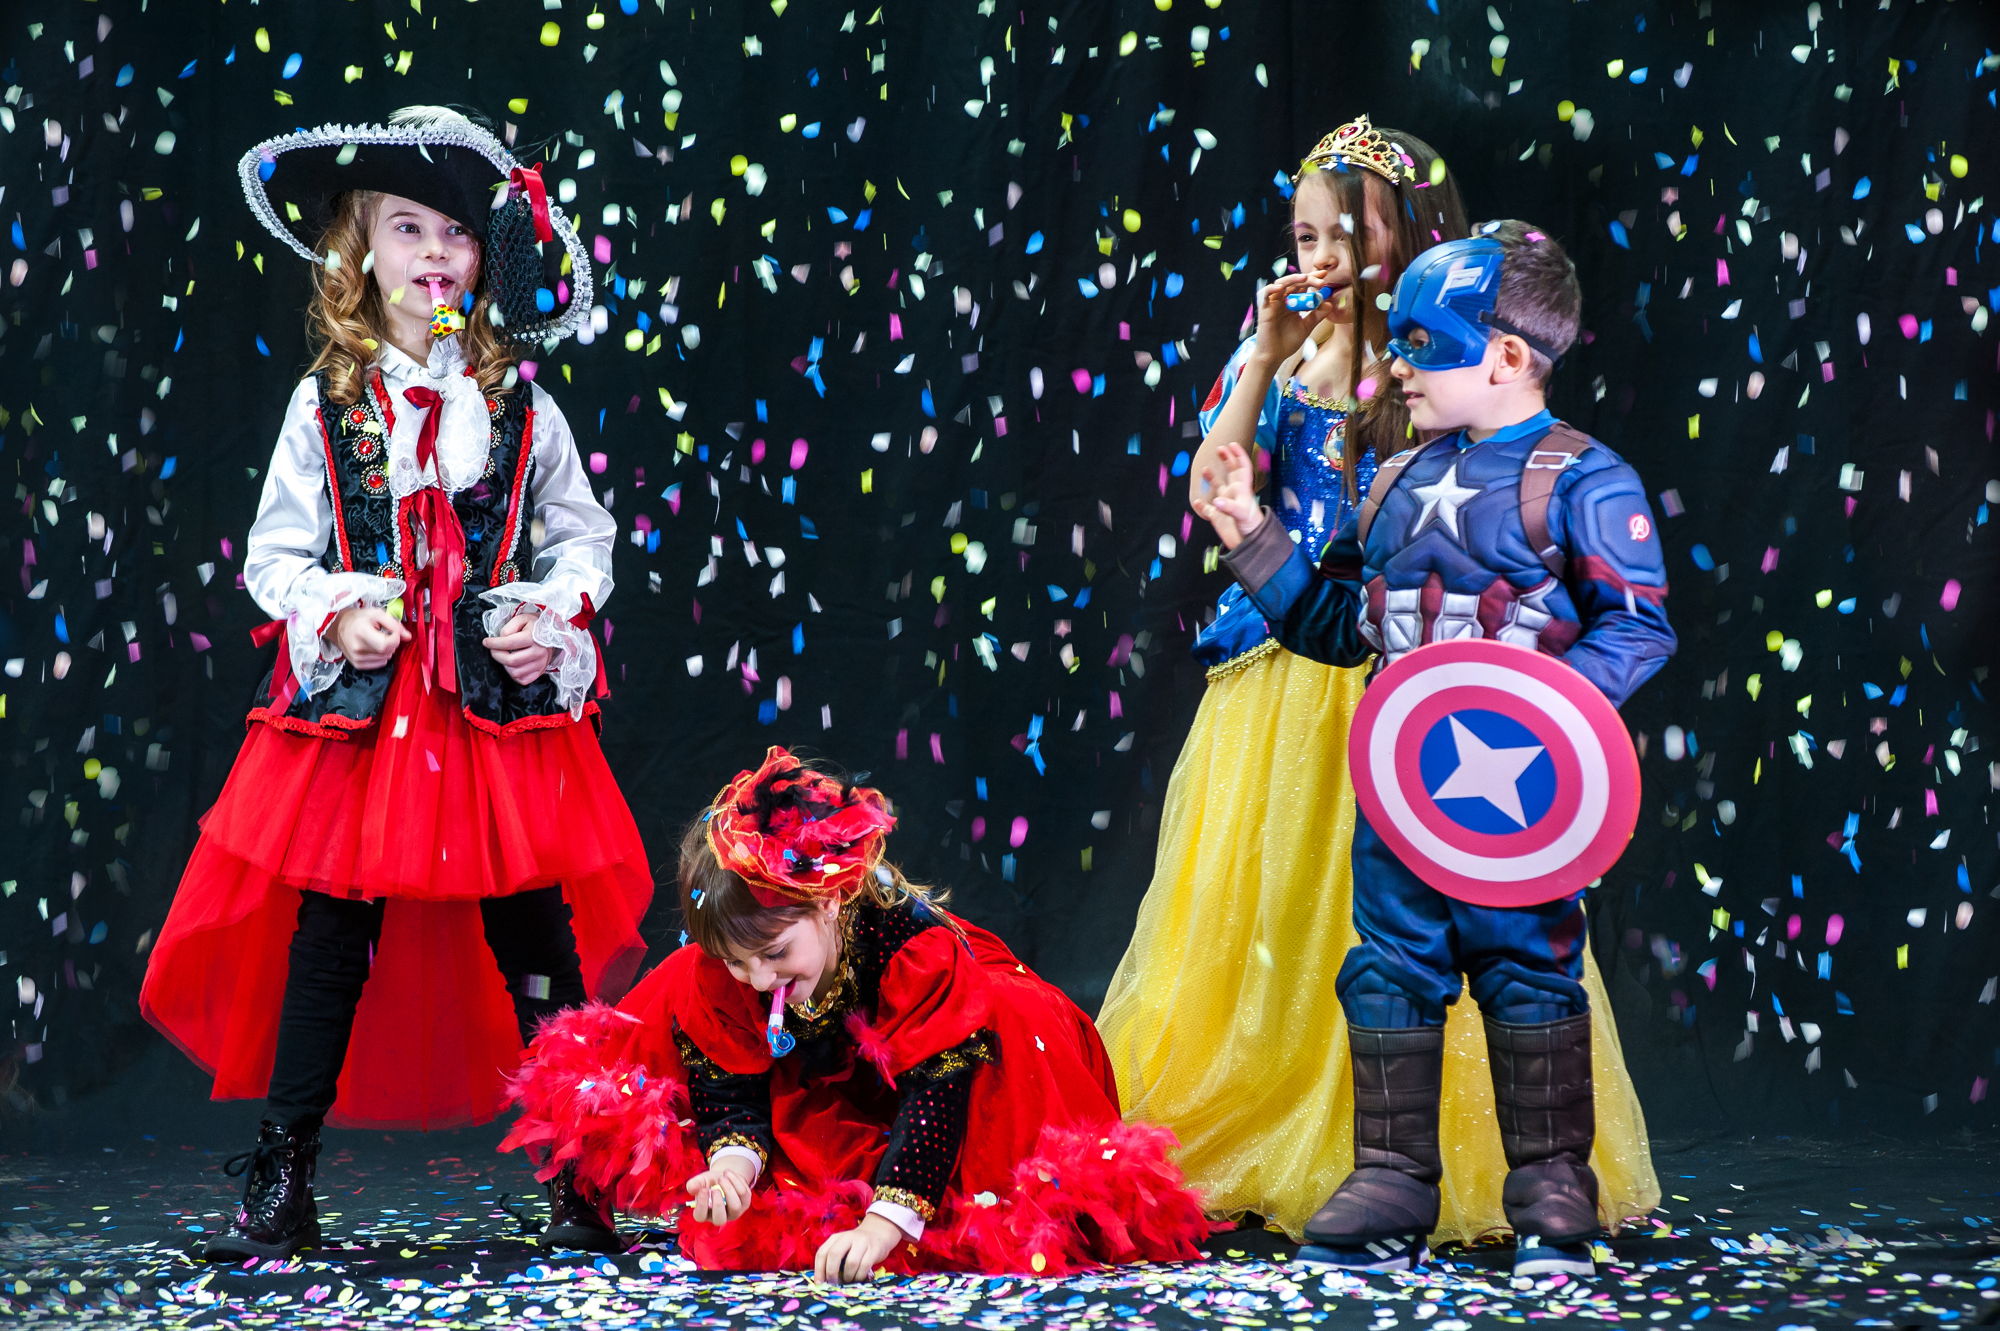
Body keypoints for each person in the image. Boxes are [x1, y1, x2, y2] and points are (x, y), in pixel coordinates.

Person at [1097, 118, 1660, 1248]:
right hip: (1349, 688)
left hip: (1470, 734)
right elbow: (1322, 596)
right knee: (1377, 950)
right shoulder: (1380, 450)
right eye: (1298, 235)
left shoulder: (1532, 452)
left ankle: (1544, 1177)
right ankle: (1388, 1174)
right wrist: (1252, 524)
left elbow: (1626, 622)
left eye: (1336, 235)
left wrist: (1549, 708)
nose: (1313, 257)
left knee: (1520, 955)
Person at [138, 106, 652, 1260]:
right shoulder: (323, 404)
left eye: (455, 233)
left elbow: (583, 537)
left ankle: (583, 1172)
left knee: (536, 933)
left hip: (492, 713)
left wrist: (549, 616)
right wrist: (336, 610)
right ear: (359, 251)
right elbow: (274, 555)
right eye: (406, 228)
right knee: (331, 932)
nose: (433, 253)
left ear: (487, 255)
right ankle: (283, 1179)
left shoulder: (524, 408)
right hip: (367, 719)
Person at [501, 747, 1209, 1281]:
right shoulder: (735, 968)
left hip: (929, 1067)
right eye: (740, 962)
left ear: (829, 901)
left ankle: (961, 1199)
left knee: (1011, 1018)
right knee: (676, 986)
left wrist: (882, 1226)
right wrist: (733, 1169)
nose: (758, 979)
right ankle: (578, 1183)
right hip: (807, 1062)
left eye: (774, 953)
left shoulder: (914, 950)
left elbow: (934, 1091)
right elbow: (729, 1084)